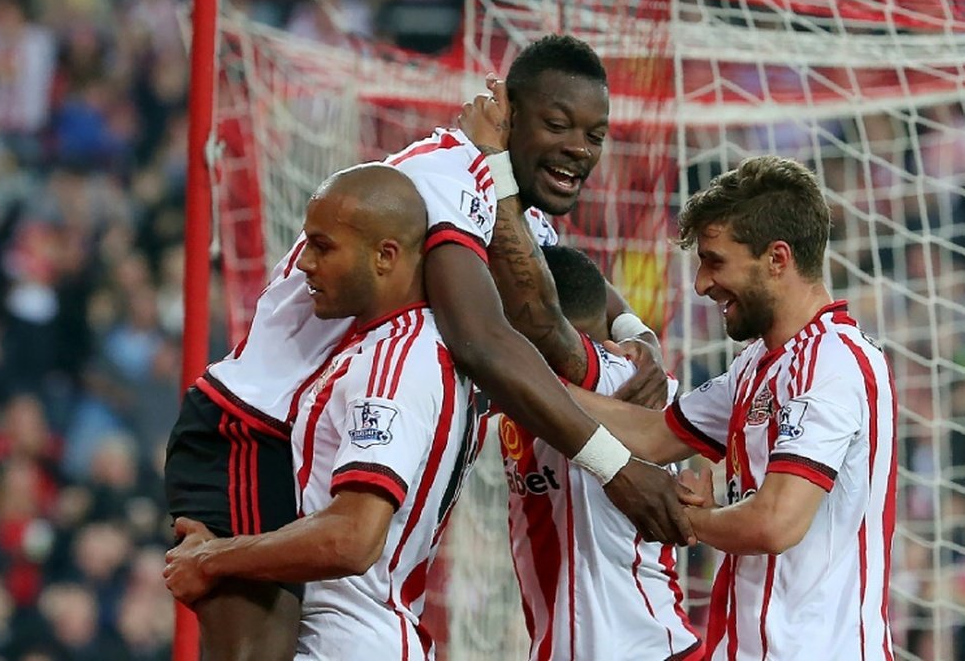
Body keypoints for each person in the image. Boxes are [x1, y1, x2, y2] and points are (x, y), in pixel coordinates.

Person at [164, 34, 692, 661]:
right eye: (557, 125)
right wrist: (616, 467)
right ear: (509, 113)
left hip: (327, 432)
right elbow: (486, 341)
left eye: (595, 135)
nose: (579, 149)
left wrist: (637, 334)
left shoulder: (507, 203)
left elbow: (578, 287)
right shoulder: (448, 174)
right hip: (260, 427)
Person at [565, 156, 898, 659]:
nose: (701, 284)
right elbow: (655, 435)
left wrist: (682, 516)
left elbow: (775, 523)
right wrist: (524, 381)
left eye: (715, 261)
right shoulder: (758, 364)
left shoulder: (834, 364)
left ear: (777, 259)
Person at [164, 163, 477, 660]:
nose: (305, 263)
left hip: (349, 639)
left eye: (323, 246)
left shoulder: (394, 368)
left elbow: (352, 538)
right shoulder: (394, 349)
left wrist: (215, 559)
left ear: (385, 256)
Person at [484, 245, 702, 661]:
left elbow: (508, 344)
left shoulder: (614, 377)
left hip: (638, 648)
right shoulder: (535, 380)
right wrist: (635, 326)